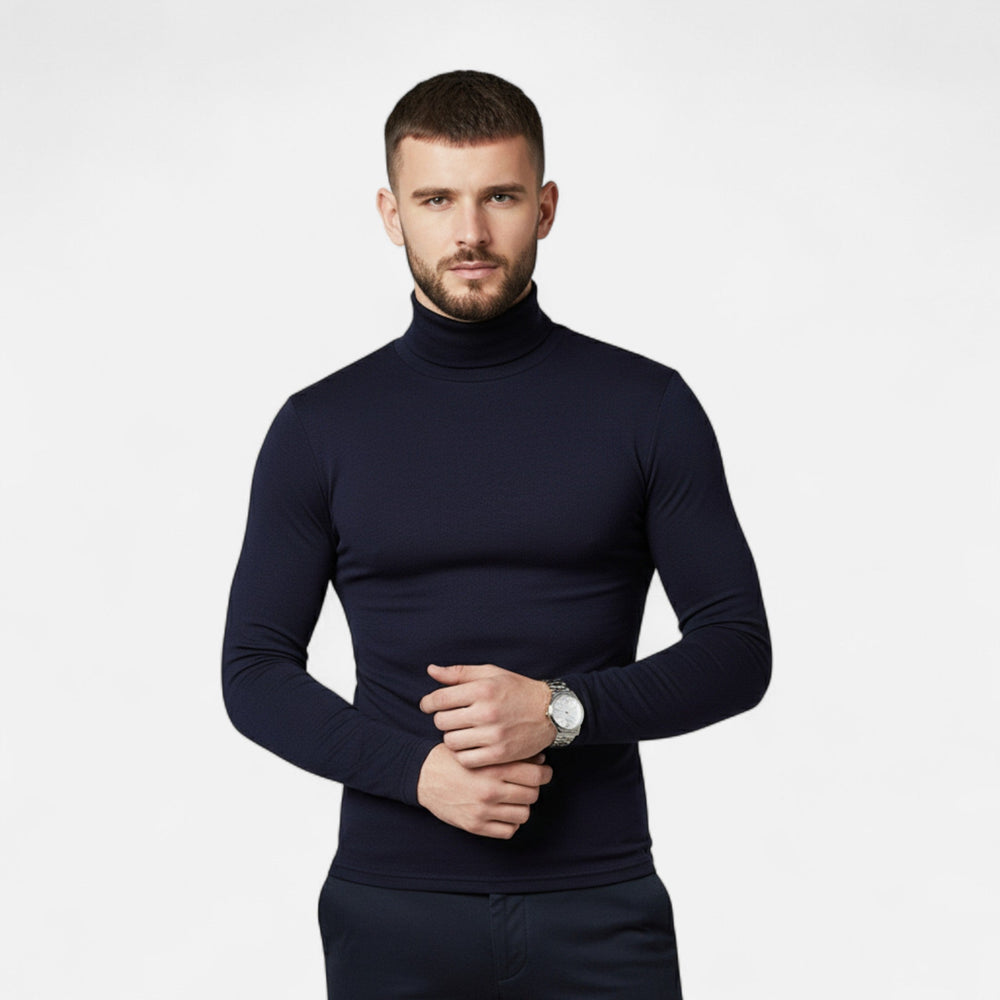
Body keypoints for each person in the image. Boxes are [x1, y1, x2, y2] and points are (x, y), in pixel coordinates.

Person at [222, 69, 771, 999]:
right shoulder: (320, 426)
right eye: (437, 200)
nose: (469, 232)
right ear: (392, 214)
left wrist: (561, 711)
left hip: (600, 903)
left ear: (545, 207)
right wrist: (418, 774)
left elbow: (737, 650)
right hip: (392, 907)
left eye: (500, 197)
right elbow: (253, 671)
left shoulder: (647, 408)